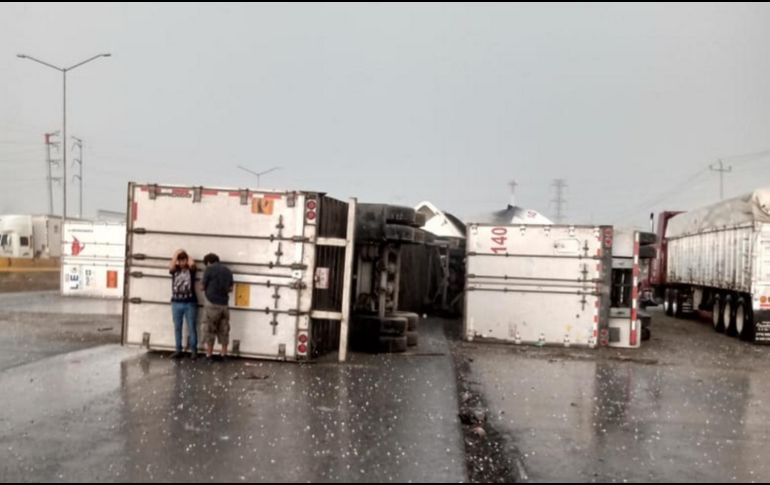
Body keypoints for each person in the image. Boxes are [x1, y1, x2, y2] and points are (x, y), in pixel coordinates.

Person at [202, 253, 234, 360]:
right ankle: (224, 354)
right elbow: (230, 289)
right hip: (224, 304)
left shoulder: (209, 269)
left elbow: (202, 287)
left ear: (208, 262)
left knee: (209, 329)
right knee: (224, 329)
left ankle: (209, 355)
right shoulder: (228, 271)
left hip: (211, 304)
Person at [169, 249, 198, 359]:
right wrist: (176, 253)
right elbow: (171, 266)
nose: (182, 263)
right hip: (176, 302)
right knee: (177, 327)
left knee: (191, 326)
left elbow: (193, 264)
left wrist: (186, 252)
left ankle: (194, 351)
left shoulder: (191, 271)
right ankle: (178, 349)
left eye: (184, 260)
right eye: (180, 261)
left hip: (190, 303)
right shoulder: (174, 270)